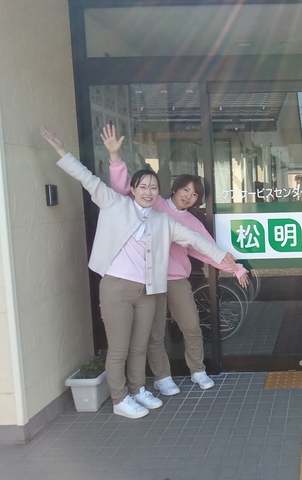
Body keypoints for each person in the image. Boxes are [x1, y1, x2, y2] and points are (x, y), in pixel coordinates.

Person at [40, 126, 239, 420]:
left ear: (159, 193)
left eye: (153, 188)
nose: (148, 192)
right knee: (119, 348)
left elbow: (196, 240)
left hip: (147, 290)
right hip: (116, 288)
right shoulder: (114, 203)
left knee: (139, 346)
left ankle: (137, 390)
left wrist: (224, 258)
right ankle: (120, 399)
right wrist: (62, 149)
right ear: (132, 189)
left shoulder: (162, 220)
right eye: (143, 187)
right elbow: (86, 177)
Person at [105, 124, 248, 395]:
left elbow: (207, 249)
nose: (189, 197)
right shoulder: (155, 203)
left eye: (195, 195)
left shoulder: (192, 222)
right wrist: (115, 157)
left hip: (177, 280)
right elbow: (125, 190)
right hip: (149, 278)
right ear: (175, 188)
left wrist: (236, 268)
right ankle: (162, 377)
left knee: (191, 327)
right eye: (186, 190)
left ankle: (198, 371)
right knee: (155, 333)